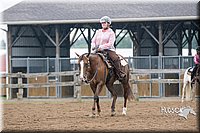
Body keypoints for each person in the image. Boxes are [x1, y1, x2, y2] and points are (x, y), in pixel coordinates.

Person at [91, 16, 126, 80]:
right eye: (102, 23)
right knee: (89, 58)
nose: (103, 24)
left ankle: (119, 73)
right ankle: (88, 75)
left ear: (108, 24)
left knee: (115, 58)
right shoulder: (98, 32)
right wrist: (93, 45)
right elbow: (93, 40)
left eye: (104, 23)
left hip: (108, 50)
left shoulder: (111, 33)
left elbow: (110, 44)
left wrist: (101, 47)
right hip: (97, 50)